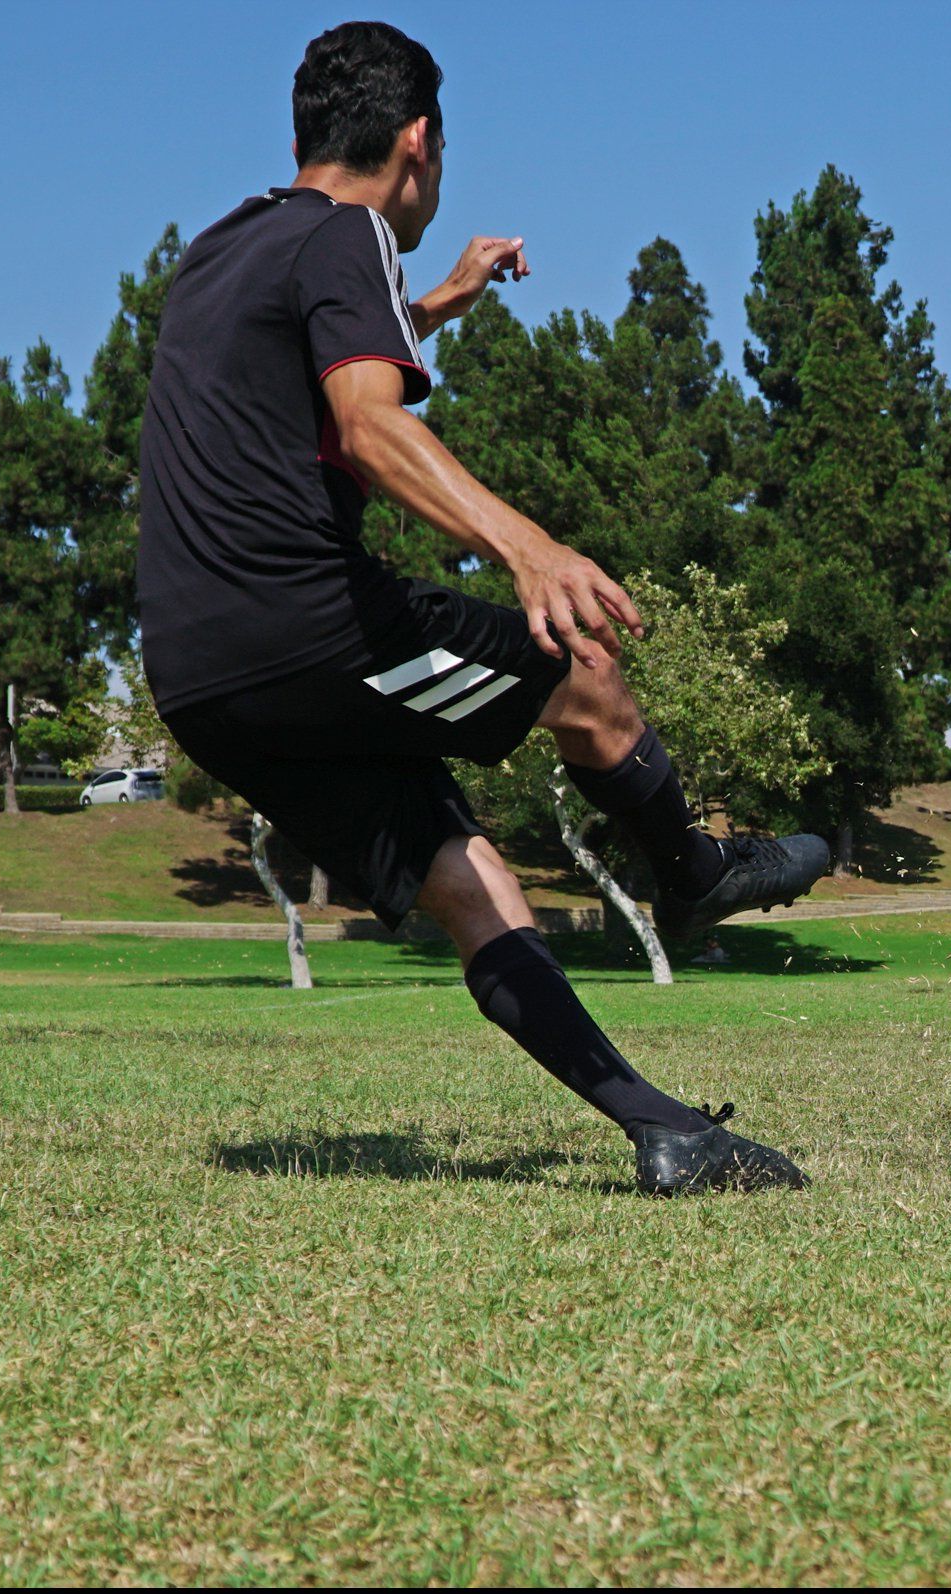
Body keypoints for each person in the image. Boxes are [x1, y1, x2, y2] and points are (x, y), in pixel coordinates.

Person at [137, 22, 827, 1194]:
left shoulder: (225, 245)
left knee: (467, 879)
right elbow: (364, 420)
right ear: (417, 143)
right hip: (304, 626)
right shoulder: (351, 231)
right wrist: (528, 547)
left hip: (199, 676)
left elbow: (302, 375)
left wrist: (439, 301)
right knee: (585, 675)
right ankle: (695, 867)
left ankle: (667, 1132)